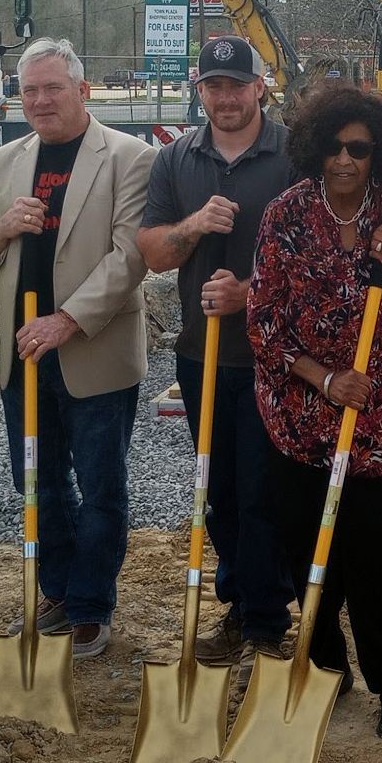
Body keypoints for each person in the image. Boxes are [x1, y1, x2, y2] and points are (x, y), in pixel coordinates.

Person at [246, 87, 382, 739]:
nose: (344, 160)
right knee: (314, 558)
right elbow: (264, 324)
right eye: (333, 147)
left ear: (377, 154)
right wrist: (327, 380)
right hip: (303, 419)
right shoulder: (286, 215)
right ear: (315, 148)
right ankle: (326, 666)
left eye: (358, 149)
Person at [0, 37, 155, 659]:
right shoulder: (5, 162)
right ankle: (57, 589)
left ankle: (92, 605)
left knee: (101, 484)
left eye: (53, 88)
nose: (41, 101)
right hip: (25, 355)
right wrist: (0, 230)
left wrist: (66, 321)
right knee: (40, 483)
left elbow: (131, 257)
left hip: (92, 350)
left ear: (83, 90)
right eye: (30, 90)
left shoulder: (130, 157)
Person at [136, 36, 295, 667]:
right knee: (218, 489)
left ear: (260, 87)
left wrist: (250, 293)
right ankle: (239, 605)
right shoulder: (176, 159)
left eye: (238, 84)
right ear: (199, 89)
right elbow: (153, 251)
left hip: (277, 358)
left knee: (265, 488)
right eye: (214, 86)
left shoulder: (293, 156)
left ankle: (266, 618)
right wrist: (195, 225)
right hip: (201, 355)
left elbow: (321, 258)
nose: (225, 98)